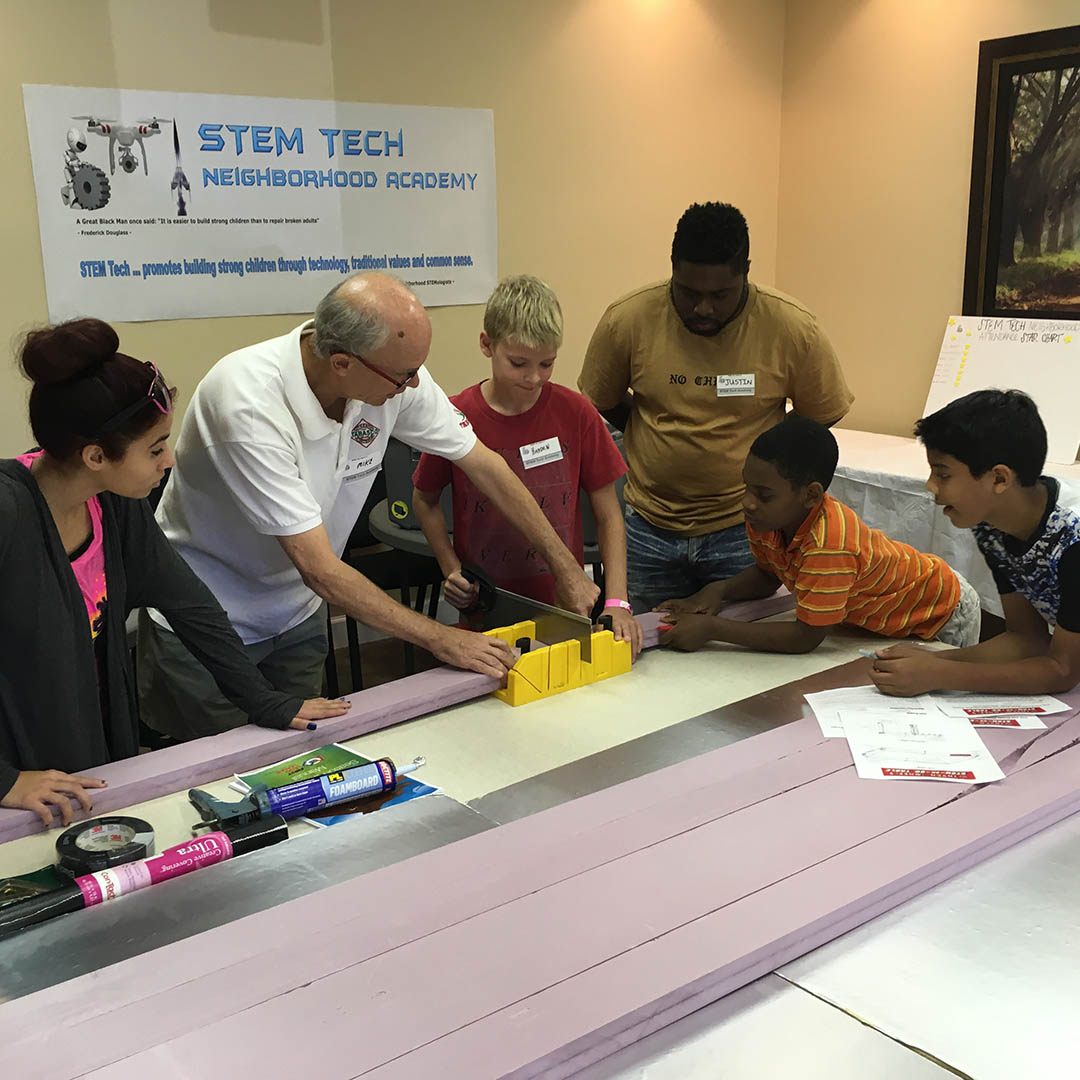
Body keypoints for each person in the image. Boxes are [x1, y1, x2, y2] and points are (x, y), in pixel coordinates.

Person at [139, 273, 599, 740]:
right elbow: (318, 568)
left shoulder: (386, 371)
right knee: (215, 775)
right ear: (341, 363)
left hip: (298, 614)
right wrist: (443, 638)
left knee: (298, 758)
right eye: (404, 376)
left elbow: (485, 465)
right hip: (209, 624)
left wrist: (566, 567)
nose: (414, 384)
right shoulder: (247, 405)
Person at [0, 320, 348, 826]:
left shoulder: (114, 505)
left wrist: (263, 700)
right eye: (155, 447)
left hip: (78, 736)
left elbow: (189, 604)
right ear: (96, 456)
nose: (170, 458)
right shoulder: (9, 514)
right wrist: (6, 779)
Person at [578, 201, 854, 615]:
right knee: (645, 661)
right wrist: (649, 434)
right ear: (672, 267)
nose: (703, 308)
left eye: (720, 295)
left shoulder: (792, 327)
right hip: (649, 526)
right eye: (688, 293)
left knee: (738, 662)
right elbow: (604, 398)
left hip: (744, 530)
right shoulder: (628, 319)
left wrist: (768, 457)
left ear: (745, 271)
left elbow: (821, 414)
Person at [411, 275, 642, 657]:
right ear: (487, 344)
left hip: (563, 605)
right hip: (487, 608)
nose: (534, 378)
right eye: (518, 363)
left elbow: (609, 516)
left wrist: (617, 602)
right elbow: (425, 500)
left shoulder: (576, 412)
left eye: (547, 364)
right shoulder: (455, 416)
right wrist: (451, 567)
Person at [657, 415, 981, 655]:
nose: (747, 503)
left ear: (811, 495)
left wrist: (713, 629)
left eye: (763, 494)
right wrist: (719, 590)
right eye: (746, 488)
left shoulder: (828, 544)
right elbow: (768, 575)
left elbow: (806, 637)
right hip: (888, 612)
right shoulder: (768, 518)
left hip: (942, 610)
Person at [870, 389, 1080, 697]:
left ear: (999, 479)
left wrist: (942, 672)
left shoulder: (1073, 541)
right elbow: (1026, 638)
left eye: (943, 474)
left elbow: (1063, 670)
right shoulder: (993, 525)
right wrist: (930, 662)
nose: (930, 486)